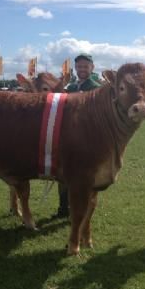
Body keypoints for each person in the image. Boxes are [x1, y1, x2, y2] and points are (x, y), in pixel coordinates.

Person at [53, 53, 101, 218]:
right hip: (68, 137)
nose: (82, 69)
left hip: (88, 139)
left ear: (92, 68)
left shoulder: (96, 87)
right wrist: (62, 85)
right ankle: (63, 208)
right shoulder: (71, 87)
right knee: (64, 173)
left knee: (84, 177)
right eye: (79, 66)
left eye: (85, 66)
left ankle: (81, 210)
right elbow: (55, 101)